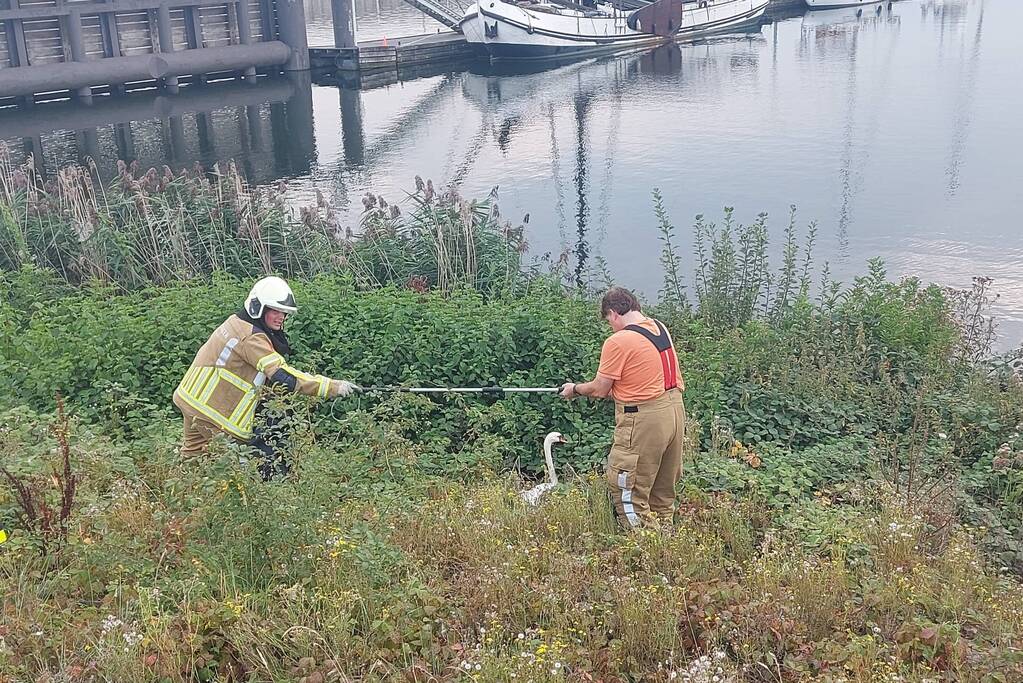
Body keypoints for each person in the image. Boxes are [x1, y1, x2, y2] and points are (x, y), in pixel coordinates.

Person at [173, 276, 359, 479]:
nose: (281, 317)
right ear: (258, 308)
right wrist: (332, 387)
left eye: (284, 313)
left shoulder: (236, 323)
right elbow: (282, 375)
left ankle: (180, 502)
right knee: (239, 472)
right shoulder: (253, 338)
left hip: (190, 399)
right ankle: (245, 508)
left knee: (191, 461)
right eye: (275, 311)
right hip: (211, 414)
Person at [559, 286, 686, 529]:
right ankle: (667, 543)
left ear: (614, 313)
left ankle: (644, 549)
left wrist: (574, 389)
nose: (611, 326)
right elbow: (639, 375)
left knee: (627, 488)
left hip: (644, 420)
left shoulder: (619, 340)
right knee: (662, 490)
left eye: (609, 321)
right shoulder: (660, 328)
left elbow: (600, 389)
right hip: (674, 412)